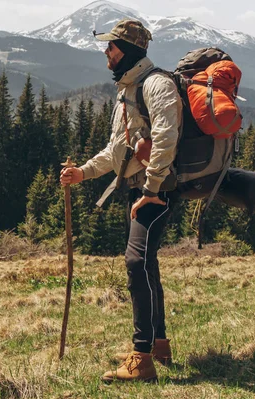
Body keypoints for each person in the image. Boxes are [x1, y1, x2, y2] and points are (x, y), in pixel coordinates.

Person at [60, 19, 182, 383]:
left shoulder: (156, 85)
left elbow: (165, 139)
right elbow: (119, 153)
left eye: (111, 47)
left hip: (156, 192)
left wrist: (151, 191)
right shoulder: (128, 89)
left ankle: (140, 358)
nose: (106, 53)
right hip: (142, 189)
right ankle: (158, 345)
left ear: (127, 50)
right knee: (147, 264)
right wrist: (83, 172)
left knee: (135, 261)